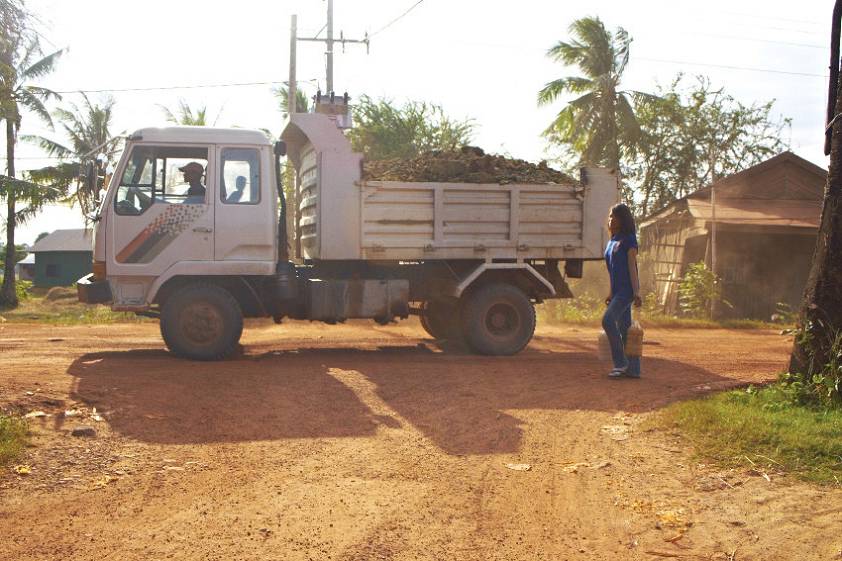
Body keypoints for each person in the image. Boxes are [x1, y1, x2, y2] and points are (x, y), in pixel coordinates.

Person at [602, 203, 642, 379]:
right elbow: (612, 270)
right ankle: (634, 369)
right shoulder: (612, 240)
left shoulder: (629, 239)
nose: (610, 220)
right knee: (625, 328)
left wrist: (637, 291)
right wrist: (611, 292)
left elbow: (632, 267)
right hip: (617, 291)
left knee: (608, 320)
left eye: (614, 216)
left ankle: (620, 363)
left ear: (622, 219)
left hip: (626, 291)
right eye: (610, 216)